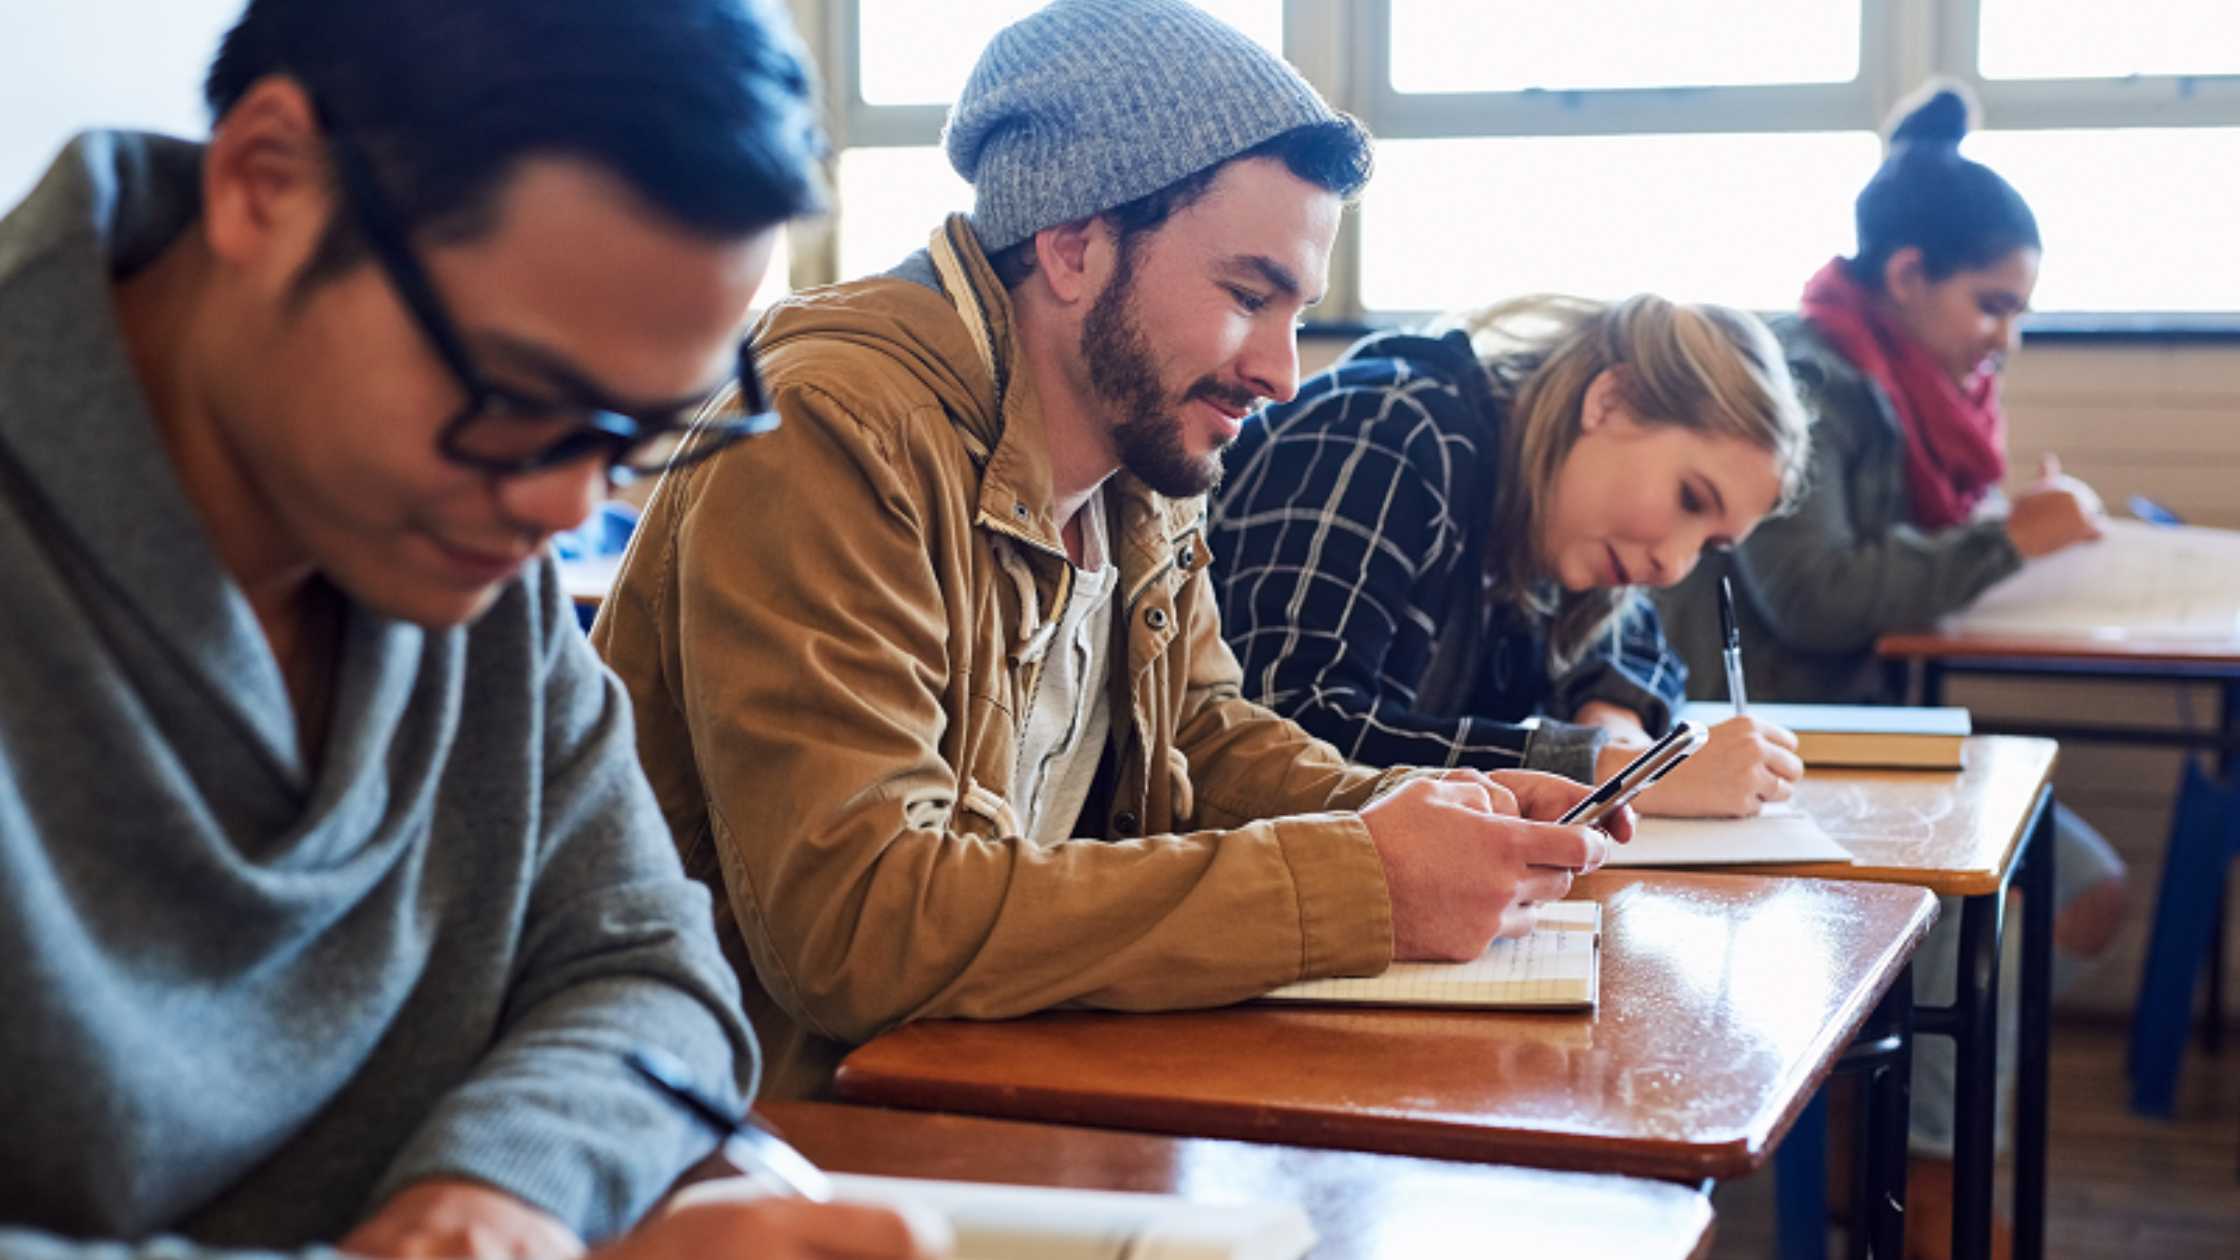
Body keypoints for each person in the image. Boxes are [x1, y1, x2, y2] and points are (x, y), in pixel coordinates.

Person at [0, 1, 943, 1258]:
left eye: (632, 432)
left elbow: (647, 971)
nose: (565, 509)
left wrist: (503, 1193)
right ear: (266, 182)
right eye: (520, 398)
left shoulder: (453, 530)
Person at [593, 0, 1618, 1102]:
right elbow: (862, 925)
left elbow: (1198, 736)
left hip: (975, 1087)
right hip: (762, 1128)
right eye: (1247, 295)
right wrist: (1359, 882)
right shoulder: (832, 429)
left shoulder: (1139, 446)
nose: (1281, 372)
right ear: (1074, 245)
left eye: (1293, 309)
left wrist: (1414, 812)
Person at [1650, 84, 2127, 1260]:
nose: (2004, 338)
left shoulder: (1897, 389)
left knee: (2074, 893)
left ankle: (1876, 1137)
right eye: (1992, 304)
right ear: (1907, 274)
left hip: (1854, 725)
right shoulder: (1812, 381)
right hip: (1766, 738)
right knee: (1984, 907)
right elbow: (1809, 594)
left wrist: (2003, 539)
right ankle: (1919, 1191)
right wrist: (2009, 542)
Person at [1210, 294, 1810, 818]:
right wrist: (1607, 773)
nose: (1675, 566)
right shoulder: (1384, 433)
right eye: (1690, 499)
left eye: (1710, 546)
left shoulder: (1551, 520)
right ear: (1610, 399)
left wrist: (1615, 721)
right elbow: (1288, 729)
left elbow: (1634, 645)